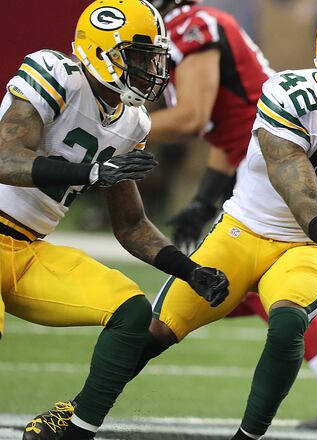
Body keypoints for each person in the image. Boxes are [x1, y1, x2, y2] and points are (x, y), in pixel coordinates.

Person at [93, 2, 317, 438]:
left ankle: (260, 431)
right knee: (157, 329)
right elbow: (279, 172)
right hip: (252, 225)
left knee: (286, 322)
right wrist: (204, 199)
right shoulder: (292, 93)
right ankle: (75, 415)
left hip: (305, 245)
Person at [1, 2, 228, 439]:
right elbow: (5, 157)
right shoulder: (56, 73)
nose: (151, 69)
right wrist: (87, 172)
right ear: (102, 51)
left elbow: (131, 225)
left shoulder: (132, 122)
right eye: (139, 56)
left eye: (154, 58)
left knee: (132, 311)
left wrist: (189, 270)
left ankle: (73, 428)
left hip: (28, 250)